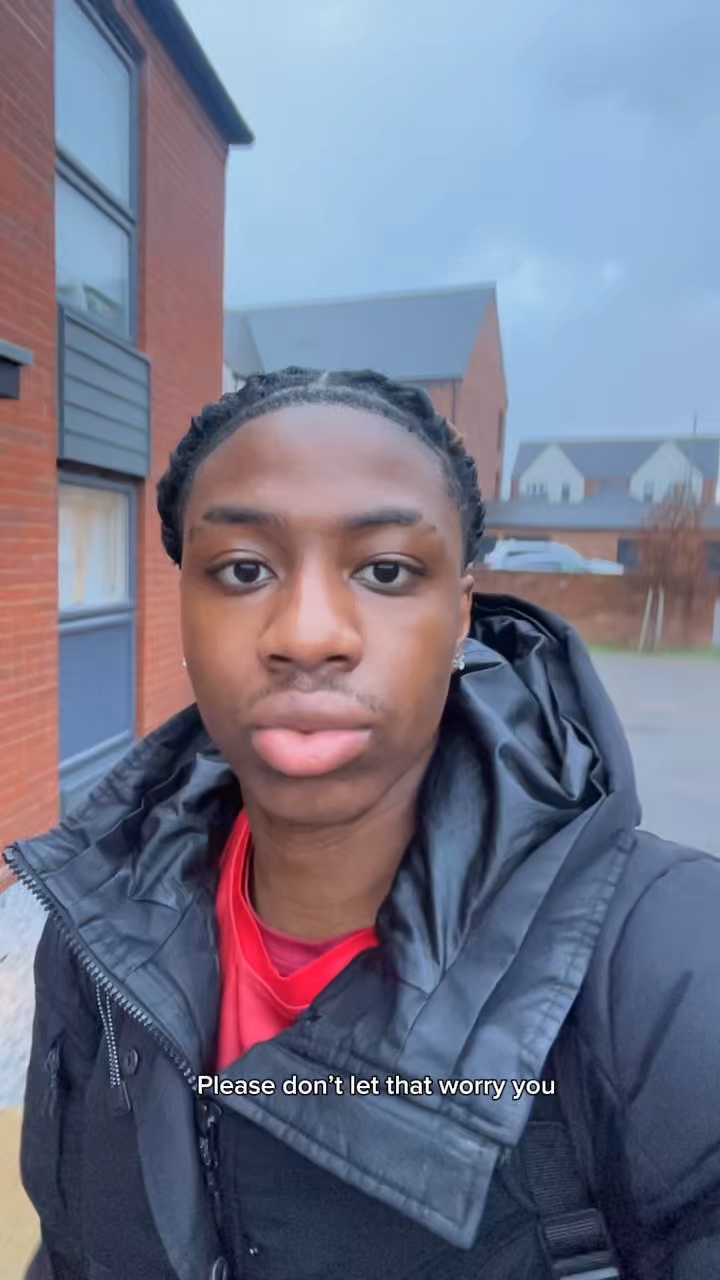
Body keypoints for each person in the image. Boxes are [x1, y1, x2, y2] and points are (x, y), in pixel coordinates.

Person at [6, 367, 719, 1280]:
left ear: (460, 615)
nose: (308, 635)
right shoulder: (94, 930)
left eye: (386, 570)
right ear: (182, 606)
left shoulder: (670, 970)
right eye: (244, 570)